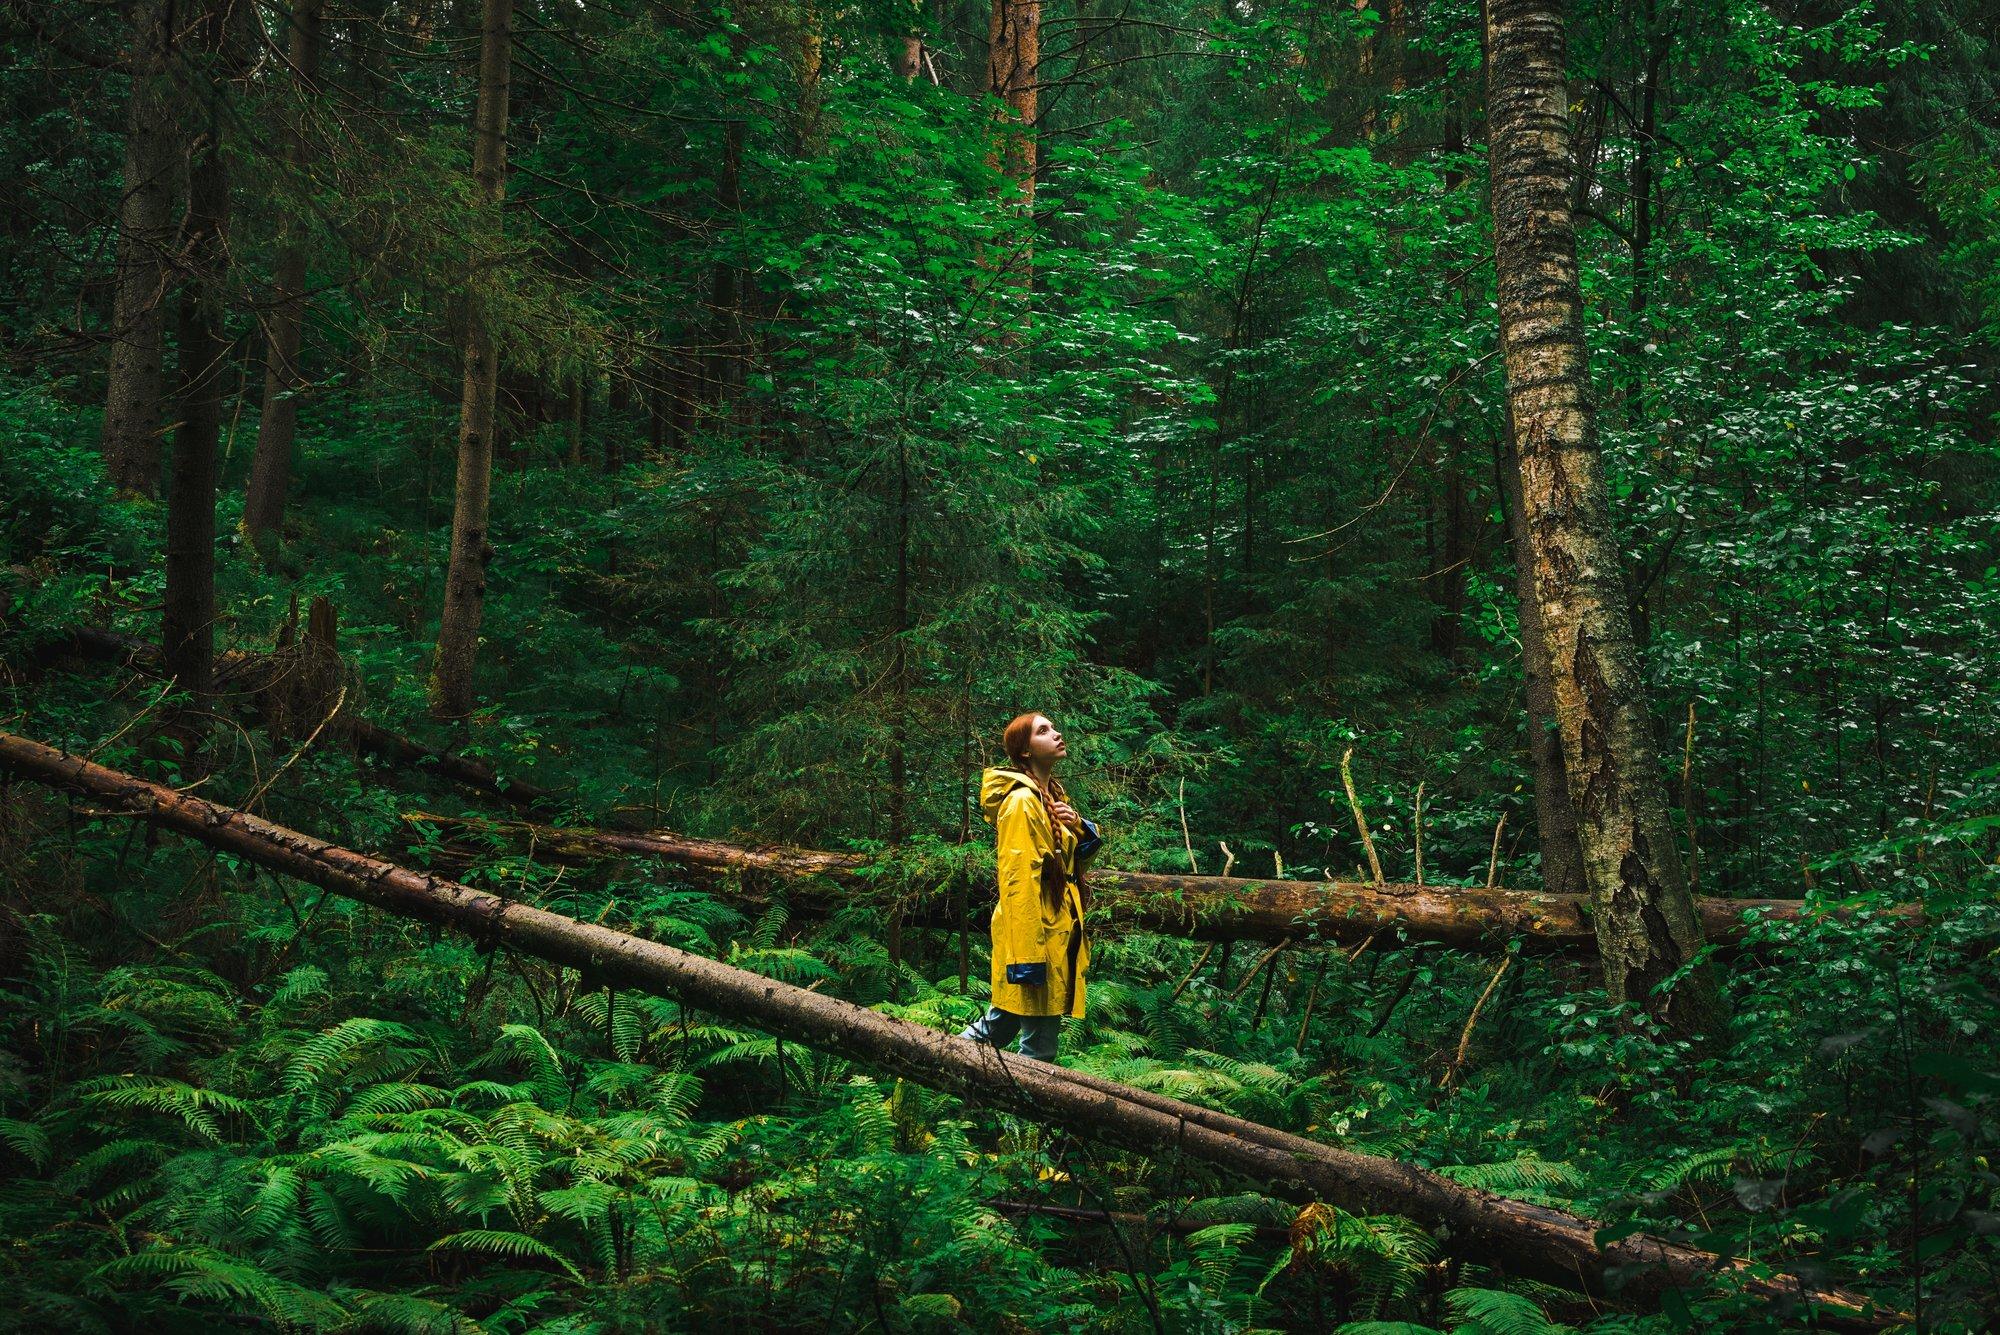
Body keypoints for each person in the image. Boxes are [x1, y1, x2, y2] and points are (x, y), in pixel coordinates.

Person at [959, 712, 1101, 1065]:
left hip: (1054, 928)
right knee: (1038, 1051)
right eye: (1043, 731)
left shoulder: (1049, 797)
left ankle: (935, 1059)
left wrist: (1080, 827)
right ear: (1025, 751)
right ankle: (937, 1061)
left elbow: (1070, 866)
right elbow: (1017, 882)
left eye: (1053, 727)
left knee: (998, 1027)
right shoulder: (1022, 803)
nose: (1056, 733)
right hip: (1035, 934)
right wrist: (1027, 960)